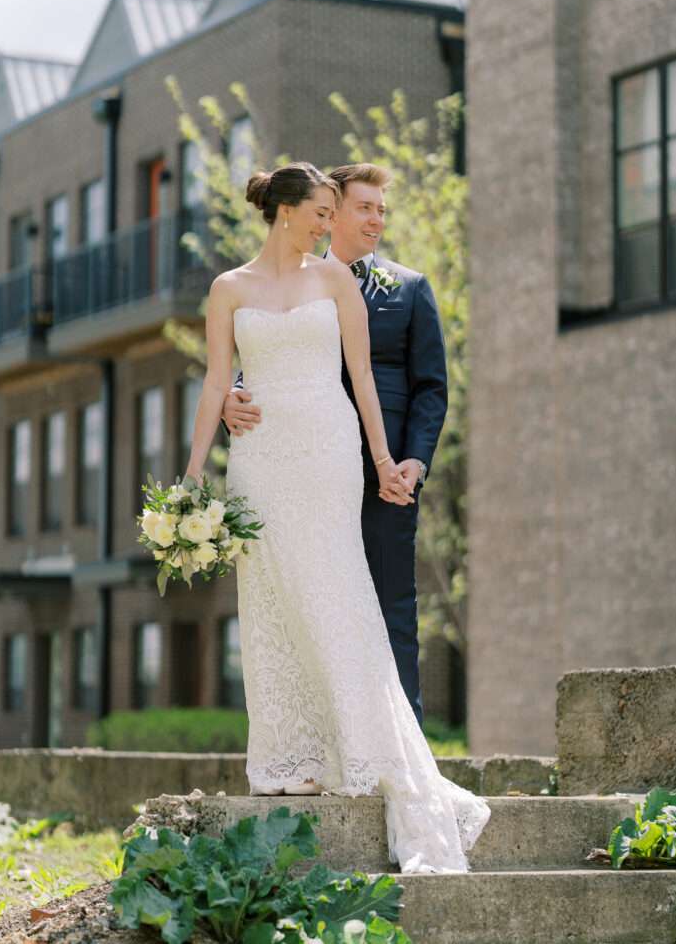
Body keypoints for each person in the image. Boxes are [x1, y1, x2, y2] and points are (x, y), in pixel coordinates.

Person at [185, 162, 489, 873]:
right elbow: (213, 376)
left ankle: (371, 748)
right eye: (322, 212)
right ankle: (291, 756)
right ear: (286, 211)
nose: (331, 225)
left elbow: (362, 379)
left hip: (327, 452)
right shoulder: (228, 289)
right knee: (271, 600)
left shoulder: (337, 281)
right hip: (259, 460)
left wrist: (384, 459)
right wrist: (194, 474)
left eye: (336, 212)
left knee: (340, 597)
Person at [223, 163, 447, 726]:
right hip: (301, 465)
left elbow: (430, 388)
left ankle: (403, 746)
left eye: (381, 210)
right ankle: (326, 741)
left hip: (385, 472)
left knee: (391, 604)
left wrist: (412, 463)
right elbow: (265, 355)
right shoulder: (288, 279)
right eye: (364, 208)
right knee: (309, 603)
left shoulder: (411, 288)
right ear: (333, 211)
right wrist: (235, 397)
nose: (375, 220)